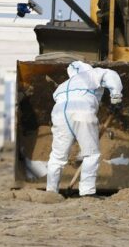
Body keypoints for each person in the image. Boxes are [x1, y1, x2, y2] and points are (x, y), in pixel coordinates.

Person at [46, 61, 123, 197]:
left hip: (58, 114)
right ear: (87, 68)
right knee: (91, 154)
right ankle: (87, 192)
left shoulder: (62, 86)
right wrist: (116, 98)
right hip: (82, 112)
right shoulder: (93, 73)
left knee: (57, 157)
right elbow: (111, 75)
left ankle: (51, 193)